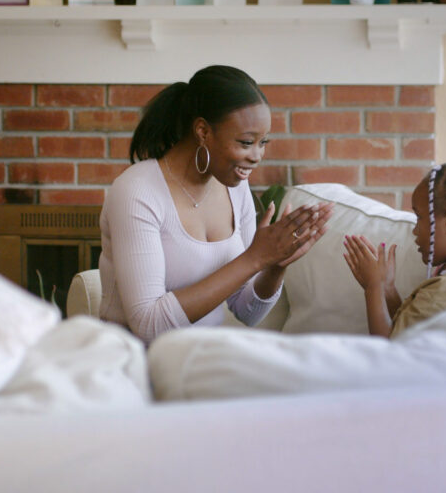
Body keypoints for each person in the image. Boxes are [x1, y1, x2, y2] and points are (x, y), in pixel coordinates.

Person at [99, 65, 333, 344]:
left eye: (263, 142)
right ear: (202, 131)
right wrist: (254, 258)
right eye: (246, 142)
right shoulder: (137, 191)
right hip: (131, 365)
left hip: (199, 360)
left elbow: (248, 312)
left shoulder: (235, 188)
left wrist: (275, 264)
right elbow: (149, 326)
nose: (257, 156)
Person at [343, 155, 446, 338]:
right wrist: (388, 289)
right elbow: (409, 327)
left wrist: (373, 286)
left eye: (420, 217)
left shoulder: (443, 291)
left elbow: (391, 348)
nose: (414, 230)